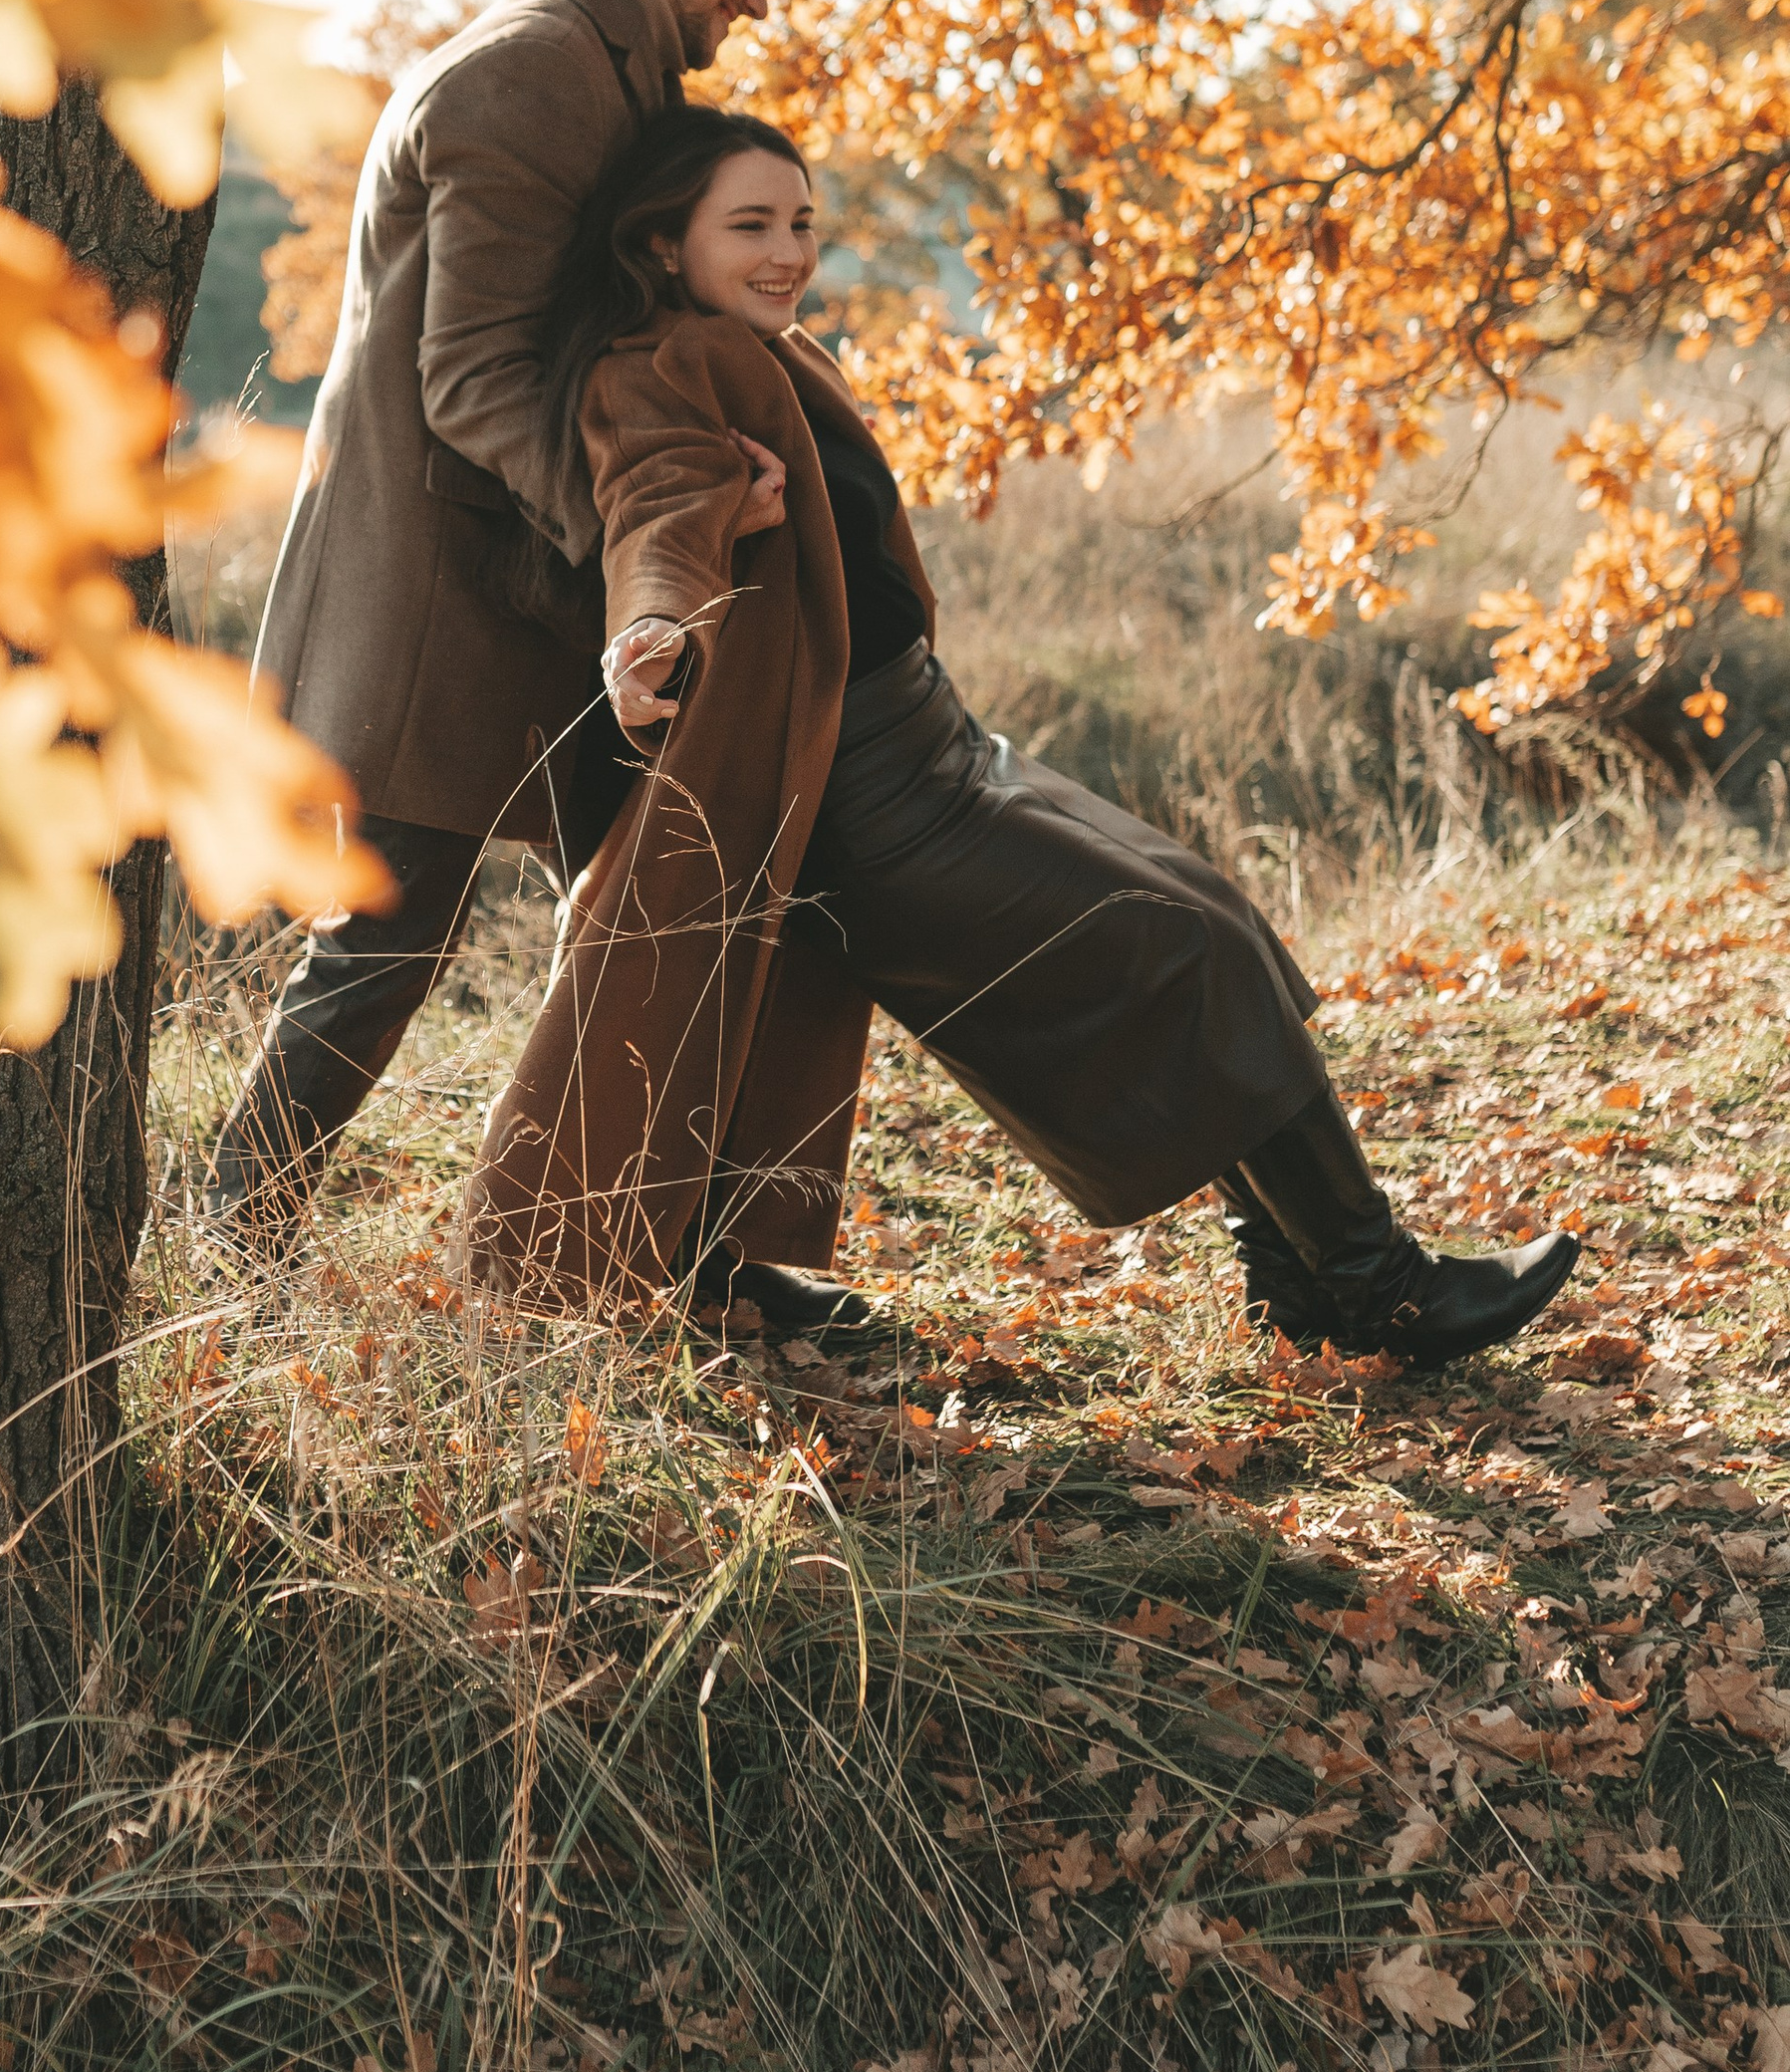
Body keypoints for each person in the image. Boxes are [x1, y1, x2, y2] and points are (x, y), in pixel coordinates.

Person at [459, 108, 1585, 1364]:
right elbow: (655, 501)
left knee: (1206, 914)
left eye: (802, 223)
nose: (788, 251)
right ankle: (1382, 1287)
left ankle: (1296, 1276)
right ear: (664, 243)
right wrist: (652, 625)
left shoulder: (773, 347)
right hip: (863, 796)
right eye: (751, 225)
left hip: (937, 742)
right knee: (1181, 953)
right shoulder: (660, 363)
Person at [206, 0, 807, 1251]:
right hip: (443, 604)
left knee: (670, 897)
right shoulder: (534, 71)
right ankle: (230, 1234)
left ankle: (671, 1248)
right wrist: (654, 537)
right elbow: (472, 379)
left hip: (537, 588)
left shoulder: (613, 68)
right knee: (388, 938)